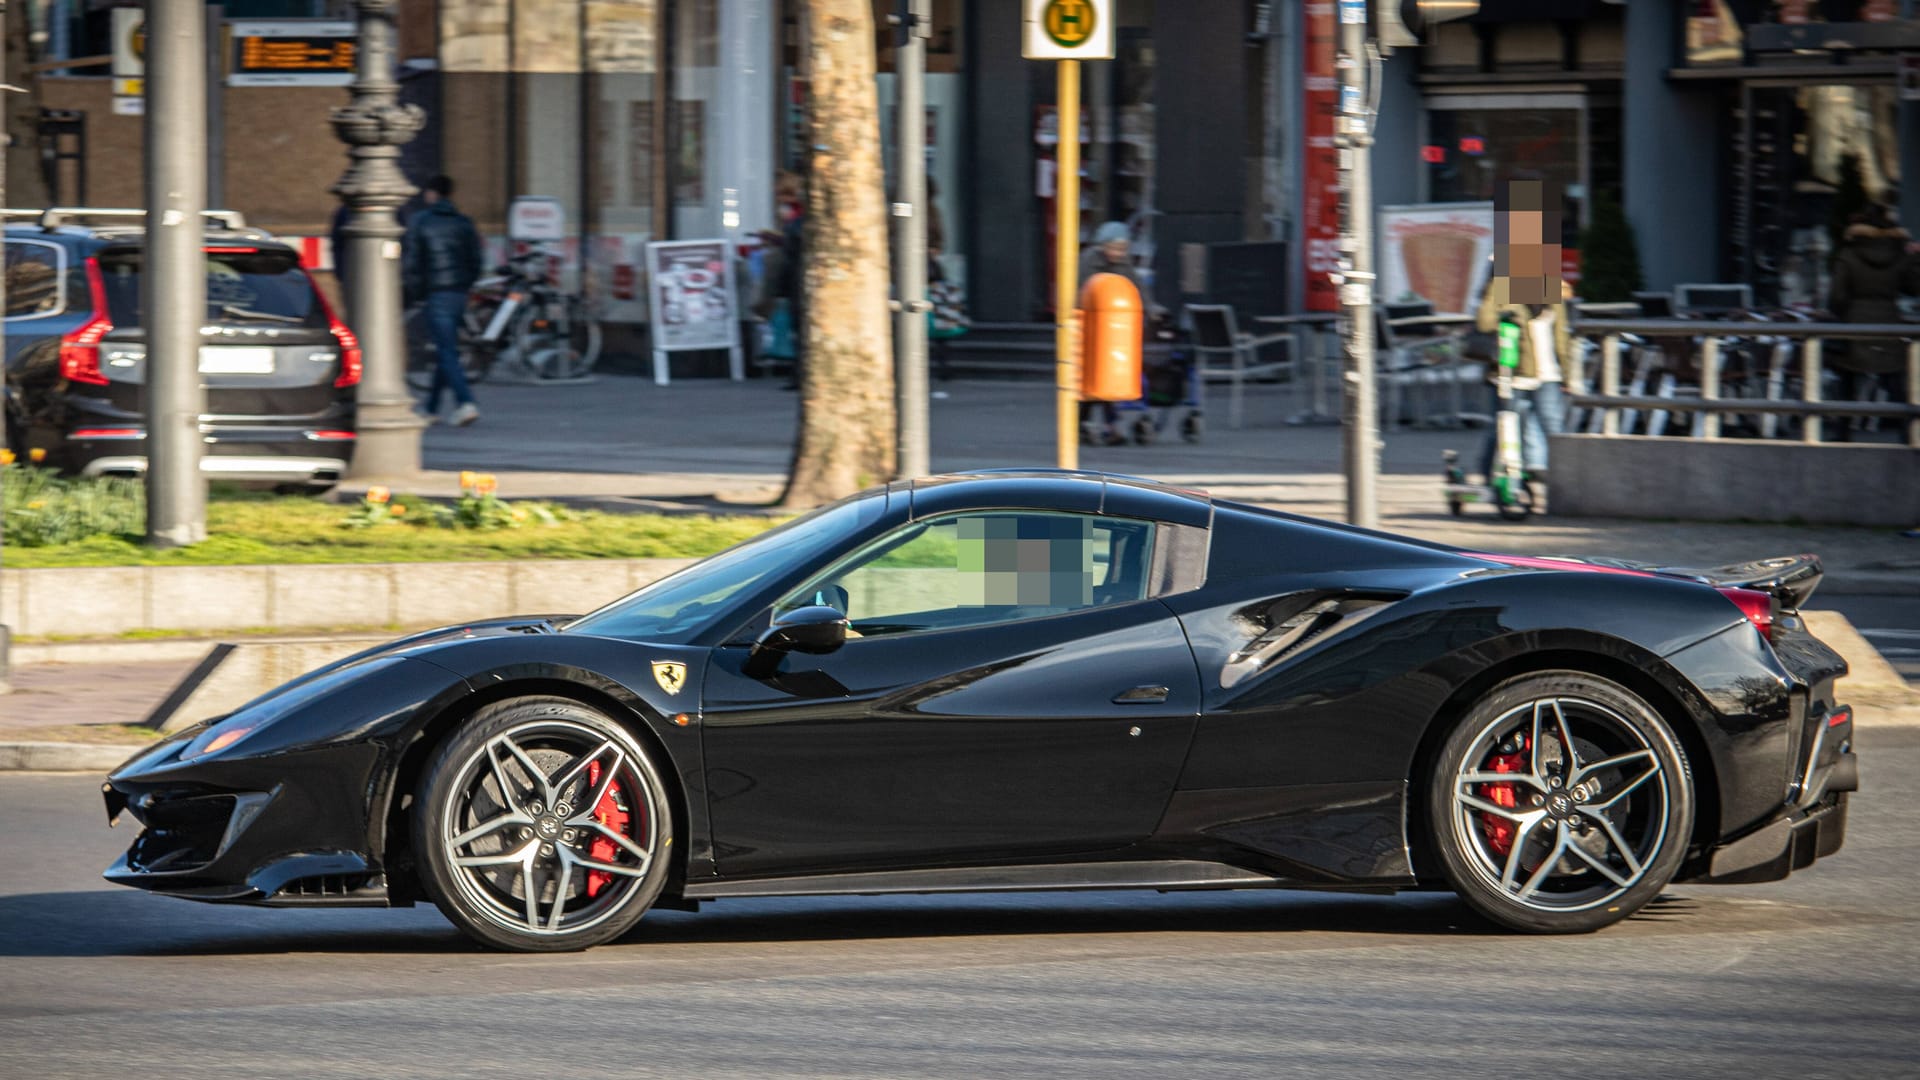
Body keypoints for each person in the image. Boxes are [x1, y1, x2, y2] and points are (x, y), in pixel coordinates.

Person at [1475, 179, 1573, 482]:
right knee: (1506, 427)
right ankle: (1493, 476)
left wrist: (1568, 375)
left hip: (1547, 374)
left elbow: (1561, 334)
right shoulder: (1501, 278)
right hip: (1512, 371)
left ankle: (1555, 481)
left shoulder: (1551, 285)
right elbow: (1484, 322)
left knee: (1552, 428)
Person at [403, 175, 484, 426]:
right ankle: (431, 407)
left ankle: (465, 402)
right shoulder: (464, 223)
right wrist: (465, 285)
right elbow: (476, 260)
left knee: (447, 350)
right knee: (445, 349)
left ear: (431, 193)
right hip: (458, 294)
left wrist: (414, 293)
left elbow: (413, 263)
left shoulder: (420, 222)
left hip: (436, 294)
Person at [1828, 202, 1919, 416]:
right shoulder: (1900, 254)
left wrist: (1839, 314)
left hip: (1855, 322)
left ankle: (1843, 432)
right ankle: (1909, 430)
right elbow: (1914, 288)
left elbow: (1837, 295)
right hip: (1889, 321)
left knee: (1848, 379)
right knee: (1893, 378)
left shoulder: (1848, 254)